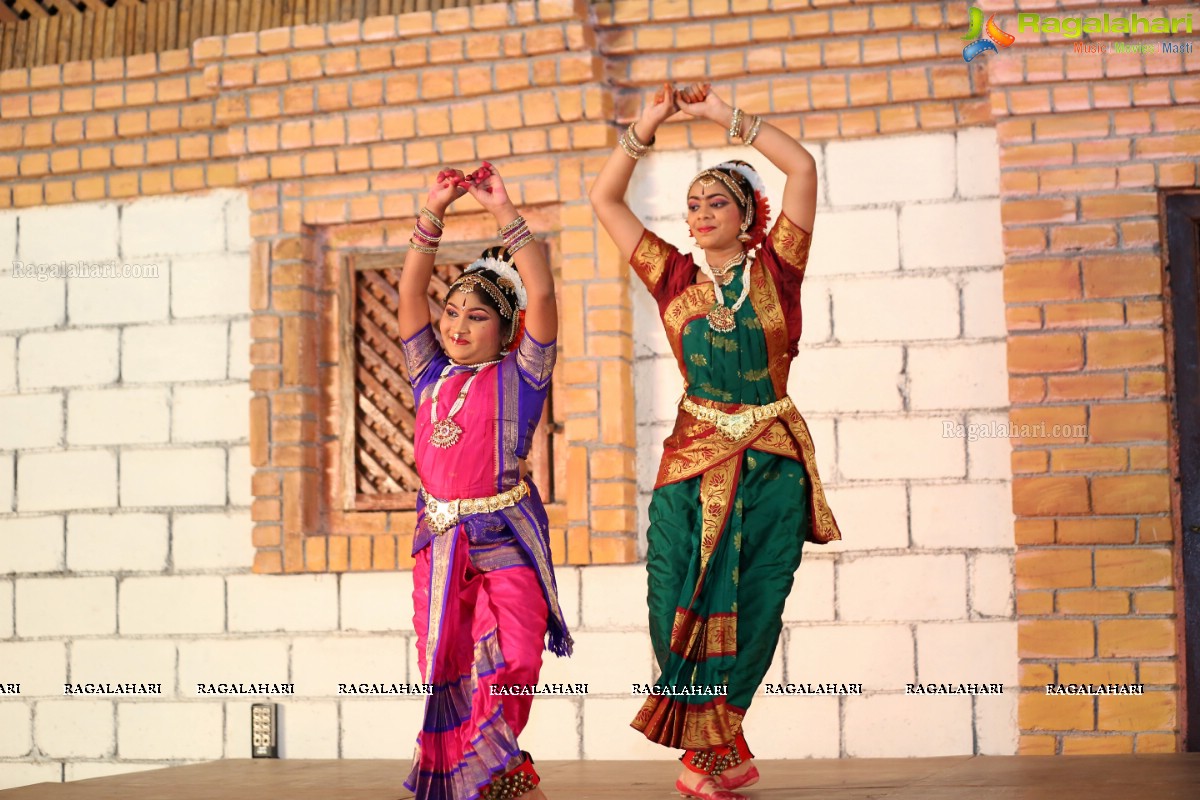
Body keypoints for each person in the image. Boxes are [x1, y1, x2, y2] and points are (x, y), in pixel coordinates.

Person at [588, 83, 843, 800]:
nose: (700, 215)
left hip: (770, 463)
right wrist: (645, 126)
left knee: (758, 601)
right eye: (693, 205)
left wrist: (721, 115)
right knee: (673, 601)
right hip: (691, 464)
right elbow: (606, 201)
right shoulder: (673, 279)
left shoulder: (779, 273)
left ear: (748, 217)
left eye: (716, 203)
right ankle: (720, 749)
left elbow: (802, 170)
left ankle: (715, 747)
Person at [397, 162, 571, 800]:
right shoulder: (428, 376)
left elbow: (544, 298)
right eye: (452, 313)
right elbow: (409, 297)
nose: (457, 325)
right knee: (449, 669)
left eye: (476, 317)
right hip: (441, 544)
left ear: (506, 330)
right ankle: (487, 775)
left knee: (519, 657)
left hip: (502, 536)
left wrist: (503, 211)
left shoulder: (523, 378)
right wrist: (433, 210)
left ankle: (493, 766)